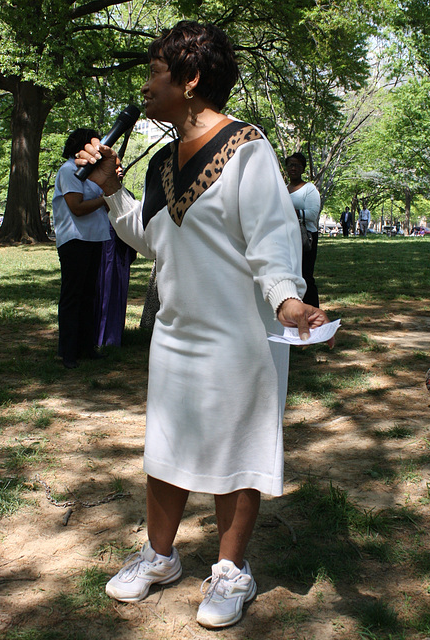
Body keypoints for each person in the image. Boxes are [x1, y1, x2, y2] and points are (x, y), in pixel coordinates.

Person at [76, 20, 333, 629]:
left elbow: (271, 236)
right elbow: (153, 240)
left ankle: (231, 570)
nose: (144, 85)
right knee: (165, 450)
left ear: (189, 80)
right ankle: (160, 557)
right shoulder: (162, 160)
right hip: (176, 333)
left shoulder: (248, 146)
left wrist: (287, 300)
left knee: (236, 452)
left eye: (153, 73)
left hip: (240, 336)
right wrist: (113, 193)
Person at [52, 128, 111, 369]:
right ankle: (67, 351)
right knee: (73, 296)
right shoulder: (69, 171)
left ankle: (86, 346)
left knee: (89, 295)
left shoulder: (93, 174)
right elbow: (76, 206)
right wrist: (106, 198)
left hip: (94, 238)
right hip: (74, 240)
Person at [285, 152, 321, 307]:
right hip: (287, 237)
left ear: (303, 169)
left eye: (297, 165)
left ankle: (312, 309)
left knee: (305, 275)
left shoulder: (309, 189)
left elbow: (313, 214)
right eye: (290, 165)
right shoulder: (282, 188)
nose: (293, 168)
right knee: (290, 275)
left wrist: (292, 213)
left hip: (306, 237)